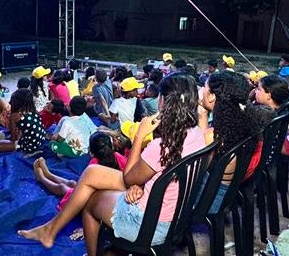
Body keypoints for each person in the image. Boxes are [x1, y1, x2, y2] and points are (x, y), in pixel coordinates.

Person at [18, 73, 207, 254]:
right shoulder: (197, 134)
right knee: (92, 172)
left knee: (91, 202)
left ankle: (65, 239)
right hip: (174, 213)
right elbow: (159, 175)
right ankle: (50, 230)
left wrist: (139, 135)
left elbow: (128, 176)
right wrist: (140, 186)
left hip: (152, 224)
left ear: (164, 102)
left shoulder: (162, 145)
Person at [198, 70, 271, 214]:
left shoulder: (214, 136)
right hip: (229, 195)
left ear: (212, 96)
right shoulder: (244, 123)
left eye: (204, 87)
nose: (201, 90)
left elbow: (195, 173)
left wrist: (202, 116)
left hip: (209, 201)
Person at [34, 132, 127, 211]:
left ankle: (42, 178)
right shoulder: (118, 156)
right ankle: (49, 175)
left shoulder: (94, 165)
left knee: (63, 188)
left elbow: (88, 187)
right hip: (108, 195)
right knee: (72, 182)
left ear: (91, 153)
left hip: (98, 200)